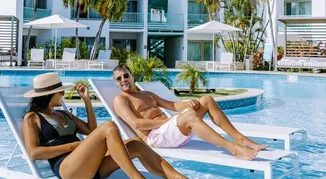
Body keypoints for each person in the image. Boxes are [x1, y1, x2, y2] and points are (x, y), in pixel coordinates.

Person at [22, 72, 214, 179]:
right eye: (60, 91)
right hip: (68, 168)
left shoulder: (63, 114)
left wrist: (87, 100)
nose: (63, 94)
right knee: (109, 127)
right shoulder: (32, 118)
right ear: (51, 94)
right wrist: (73, 147)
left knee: (137, 144)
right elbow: (33, 153)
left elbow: (90, 130)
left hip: (91, 165)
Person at [112, 65, 268, 160]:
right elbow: (136, 124)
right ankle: (233, 148)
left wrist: (189, 103)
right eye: (119, 79)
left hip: (171, 129)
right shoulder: (120, 100)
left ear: (132, 76)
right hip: (156, 137)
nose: (123, 80)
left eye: (126, 76)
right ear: (116, 84)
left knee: (206, 99)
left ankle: (239, 139)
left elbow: (172, 105)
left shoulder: (147, 94)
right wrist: (167, 121)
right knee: (189, 116)